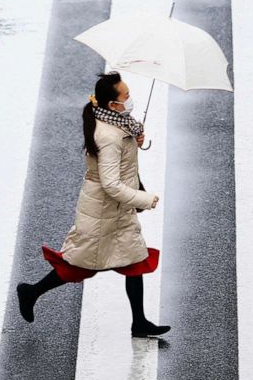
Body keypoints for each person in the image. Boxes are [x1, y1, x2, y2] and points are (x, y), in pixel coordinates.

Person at [16, 71, 170, 337]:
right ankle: (31, 292)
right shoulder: (109, 136)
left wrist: (137, 141)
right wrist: (144, 199)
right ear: (113, 104)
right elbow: (110, 184)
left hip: (117, 210)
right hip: (103, 211)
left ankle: (139, 322)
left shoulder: (116, 122)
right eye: (126, 96)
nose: (130, 99)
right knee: (80, 265)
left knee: (134, 260)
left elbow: (121, 164)